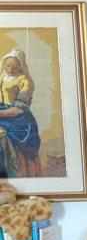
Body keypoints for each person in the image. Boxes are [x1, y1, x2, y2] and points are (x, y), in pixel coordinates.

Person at [0, 49, 41, 178]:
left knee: (5, 138)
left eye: (14, 66)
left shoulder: (25, 82)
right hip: (3, 111)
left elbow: (17, 110)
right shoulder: (2, 77)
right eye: (8, 66)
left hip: (19, 119)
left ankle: (13, 173)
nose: (10, 69)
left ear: (20, 66)